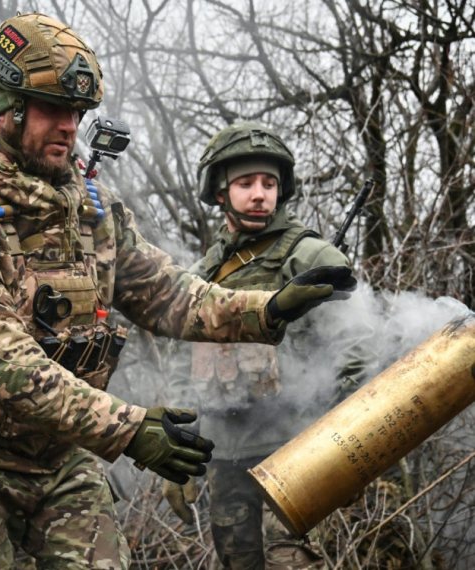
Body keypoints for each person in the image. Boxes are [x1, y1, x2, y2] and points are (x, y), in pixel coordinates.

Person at [0, 14, 356, 570]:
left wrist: (266, 309)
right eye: (54, 109)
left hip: (64, 459)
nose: (70, 127)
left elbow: (169, 294)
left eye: (78, 113)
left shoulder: (93, 210)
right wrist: (129, 428)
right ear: (6, 107)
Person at [163, 123, 376, 569]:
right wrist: (177, 456)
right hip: (226, 454)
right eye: (245, 184)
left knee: (290, 562)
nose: (260, 194)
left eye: (269, 183)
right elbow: (184, 366)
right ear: (220, 192)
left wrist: (348, 444)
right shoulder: (203, 273)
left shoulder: (309, 257)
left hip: (295, 449)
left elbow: (355, 348)